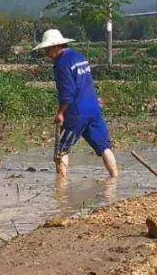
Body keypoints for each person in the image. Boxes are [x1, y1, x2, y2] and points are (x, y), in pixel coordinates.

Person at [33, 28, 118, 179]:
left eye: (47, 50)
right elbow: (86, 82)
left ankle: (61, 189)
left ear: (56, 47)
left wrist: (60, 113)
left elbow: (68, 93)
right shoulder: (79, 57)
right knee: (104, 147)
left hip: (77, 112)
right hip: (93, 107)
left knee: (62, 150)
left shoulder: (62, 64)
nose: (47, 54)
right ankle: (114, 179)